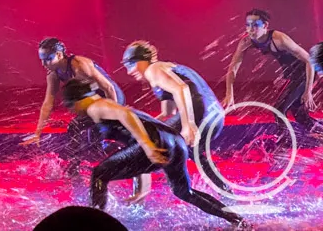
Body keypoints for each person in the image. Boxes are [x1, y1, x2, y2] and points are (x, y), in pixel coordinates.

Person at [61, 79, 243, 226]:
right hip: (175, 141)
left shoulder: (96, 106)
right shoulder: (102, 104)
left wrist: (147, 145)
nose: (72, 111)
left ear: (78, 100)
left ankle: (94, 224)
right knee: (184, 192)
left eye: (70, 106)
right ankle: (237, 219)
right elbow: (136, 157)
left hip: (155, 142)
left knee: (99, 174)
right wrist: (143, 188)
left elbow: (127, 116)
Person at [122, 41, 228, 199]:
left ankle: (140, 195)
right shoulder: (167, 68)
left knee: (145, 144)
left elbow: (181, 89)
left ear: (143, 60)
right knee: (192, 151)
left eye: (131, 64)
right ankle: (225, 191)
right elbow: (168, 112)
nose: (129, 71)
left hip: (201, 114)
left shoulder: (154, 69)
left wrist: (188, 124)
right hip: (216, 116)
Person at [22, 37, 125, 177]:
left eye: (47, 59)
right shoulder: (53, 75)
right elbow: (48, 103)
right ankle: (74, 166)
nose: (44, 63)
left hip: (111, 97)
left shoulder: (80, 65)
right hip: (92, 103)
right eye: (41, 59)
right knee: (77, 129)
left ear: (59, 55)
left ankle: (126, 152)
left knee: (98, 135)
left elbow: (108, 87)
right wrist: (38, 132)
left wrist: (114, 115)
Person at [223, 9, 318, 139]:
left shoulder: (280, 39)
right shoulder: (246, 42)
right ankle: (318, 133)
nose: (250, 29)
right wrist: (229, 93)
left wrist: (308, 92)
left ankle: (285, 141)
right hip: (293, 76)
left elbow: (309, 61)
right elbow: (232, 69)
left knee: (279, 109)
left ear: (266, 26)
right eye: (247, 25)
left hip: (306, 74)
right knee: (298, 114)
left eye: (255, 25)